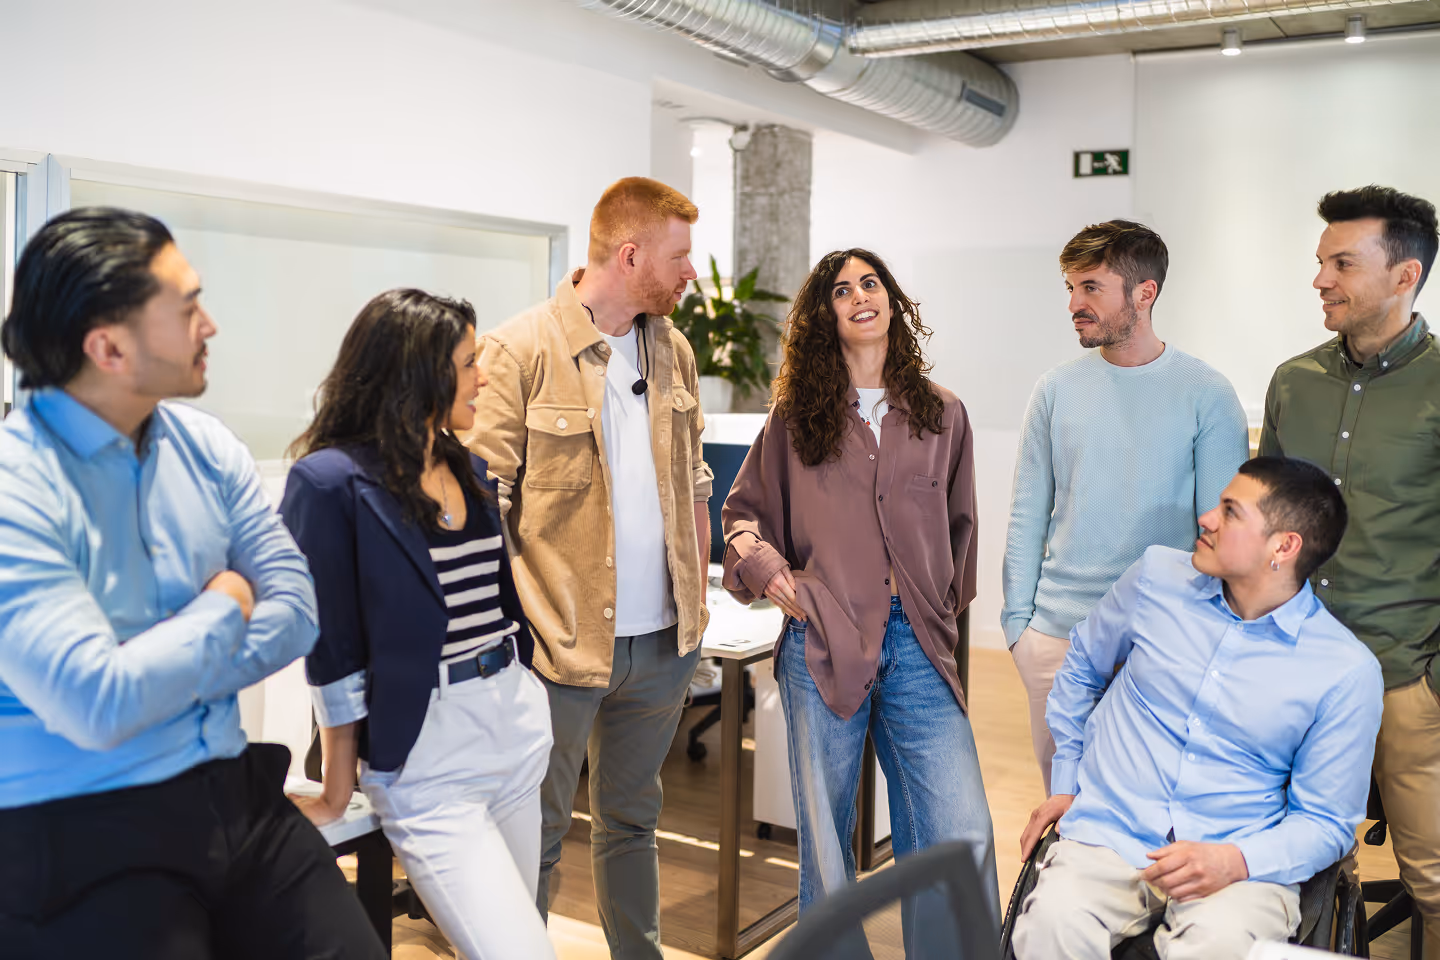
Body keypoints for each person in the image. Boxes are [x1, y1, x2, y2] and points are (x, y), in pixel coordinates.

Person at [0, 208, 384, 959]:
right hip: (77, 825)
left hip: (231, 795)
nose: (210, 325)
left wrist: (151, 667)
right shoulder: (18, 487)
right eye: (186, 309)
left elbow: (300, 612)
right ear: (107, 346)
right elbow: (97, 705)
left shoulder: (206, 447)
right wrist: (225, 602)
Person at [464, 176, 711, 959]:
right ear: (630, 254)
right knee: (530, 832)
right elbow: (483, 506)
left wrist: (697, 602)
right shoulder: (519, 348)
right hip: (554, 648)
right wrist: (504, 638)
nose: (689, 275)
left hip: (661, 645)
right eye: (679, 257)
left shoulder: (672, 349)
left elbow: (693, 481)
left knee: (632, 824)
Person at [721, 248, 1000, 935]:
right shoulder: (795, 417)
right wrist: (766, 571)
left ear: (892, 302)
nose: (859, 296)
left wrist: (936, 610)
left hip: (918, 643)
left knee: (957, 831)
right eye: (842, 291)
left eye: (870, 283)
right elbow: (741, 516)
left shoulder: (943, 415)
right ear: (829, 315)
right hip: (823, 639)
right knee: (827, 843)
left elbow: (961, 531)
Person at [1012, 457, 1383, 960]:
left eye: (1230, 512)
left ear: (1284, 546)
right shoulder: (1155, 579)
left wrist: (1236, 860)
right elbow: (1079, 670)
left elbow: (1325, 822)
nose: (1206, 518)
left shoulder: (1344, 670)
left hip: (1237, 864)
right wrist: (1067, 780)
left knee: (1214, 948)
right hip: (1112, 834)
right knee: (1049, 928)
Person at [281, 289, 555, 960]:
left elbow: (494, 599)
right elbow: (332, 649)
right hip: (427, 755)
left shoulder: (472, 466)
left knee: (519, 937)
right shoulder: (329, 482)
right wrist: (339, 785)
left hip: (515, 728)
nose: (483, 376)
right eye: (468, 362)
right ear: (417, 372)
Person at [1002, 220, 1248, 795]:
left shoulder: (1207, 393)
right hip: (1055, 638)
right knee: (1062, 812)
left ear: (1145, 293)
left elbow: (1221, 530)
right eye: (1069, 288)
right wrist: (1020, 628)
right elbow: (1026, 514)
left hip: (1160, 639)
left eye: (1090, 287)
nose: (1073, 304)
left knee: (1146, 810)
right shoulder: (1055, 389)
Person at [1259, 185, 1440, 958]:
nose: (1320, 279)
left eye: (1342, 262)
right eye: (1320, 260)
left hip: (1404, 670)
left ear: (1404, 276)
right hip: (1295, 667)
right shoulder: (1293, 380)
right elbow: (1261, 520)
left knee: (1433, 875)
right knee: (1294, 864)